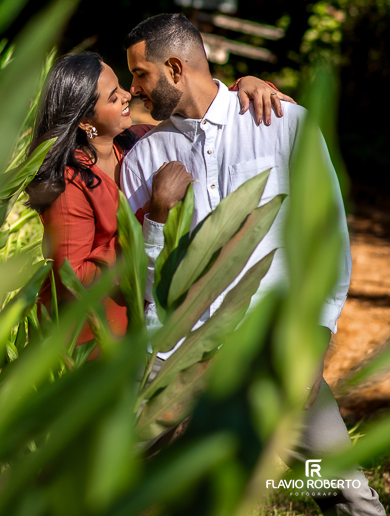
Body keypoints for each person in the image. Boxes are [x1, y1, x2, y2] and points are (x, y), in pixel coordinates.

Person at [119, 13, 382, 516]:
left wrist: (313, 346)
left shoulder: (283, 124)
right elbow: (143, 278)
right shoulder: (144, 159)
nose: (136, 88)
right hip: (179, 361)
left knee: (339, 491)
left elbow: (326, 242)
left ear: (174, 68)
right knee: (116, 481)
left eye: (140, 74)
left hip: (276, 359)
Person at [26, 51, 286, 346]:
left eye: (121, 87)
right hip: (83, 339)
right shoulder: (70, 183)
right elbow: (73, 279)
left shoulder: (135, 143)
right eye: (113, 97)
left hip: (134, 324)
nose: (128, 95)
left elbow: (199, 112)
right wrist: (150, 215)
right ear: (85, 121)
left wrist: (246, 86)